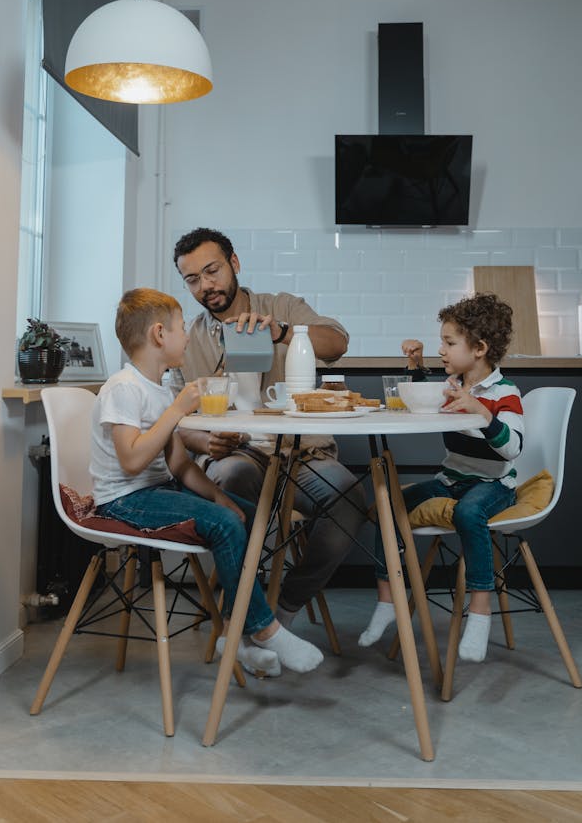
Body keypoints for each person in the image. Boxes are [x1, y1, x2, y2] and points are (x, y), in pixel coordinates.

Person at [90, 287, 324, 677]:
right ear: (160, 334)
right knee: (225, 524)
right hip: (123, 500)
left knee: (249, 516)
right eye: (182, 328)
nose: (188, 335)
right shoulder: (124, 388)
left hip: (156, 490)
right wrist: (178, 411)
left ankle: (238, 637)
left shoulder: (159, 390)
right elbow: (131, 462)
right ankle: (263, 630)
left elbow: (180, 465)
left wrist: (219, 496)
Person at [173, 227, 368, 631]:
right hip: (238, 457)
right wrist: (205, 440)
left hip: (301, 453)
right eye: (193, 279)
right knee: (230, 476)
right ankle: (248, 609)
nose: (206, 286)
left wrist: (282, 332)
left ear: (235, 264)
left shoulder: (280, 306)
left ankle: (284, 607)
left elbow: (337, 343)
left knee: (349, 497)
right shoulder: (186, 341)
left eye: (212, 271)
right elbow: (176, 422)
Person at [359, 292, 524, 664]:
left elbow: (513, 447)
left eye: (449, 343)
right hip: (451, 480)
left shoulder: (504, 393)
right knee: (387, 505)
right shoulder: (452, 386)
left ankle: (479, 613)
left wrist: (484, 414)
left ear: (479, 348)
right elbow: (424, 394)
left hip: (494, 486)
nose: (442, 351)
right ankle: (387, 601)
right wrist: (415, 365)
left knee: (468, 513)